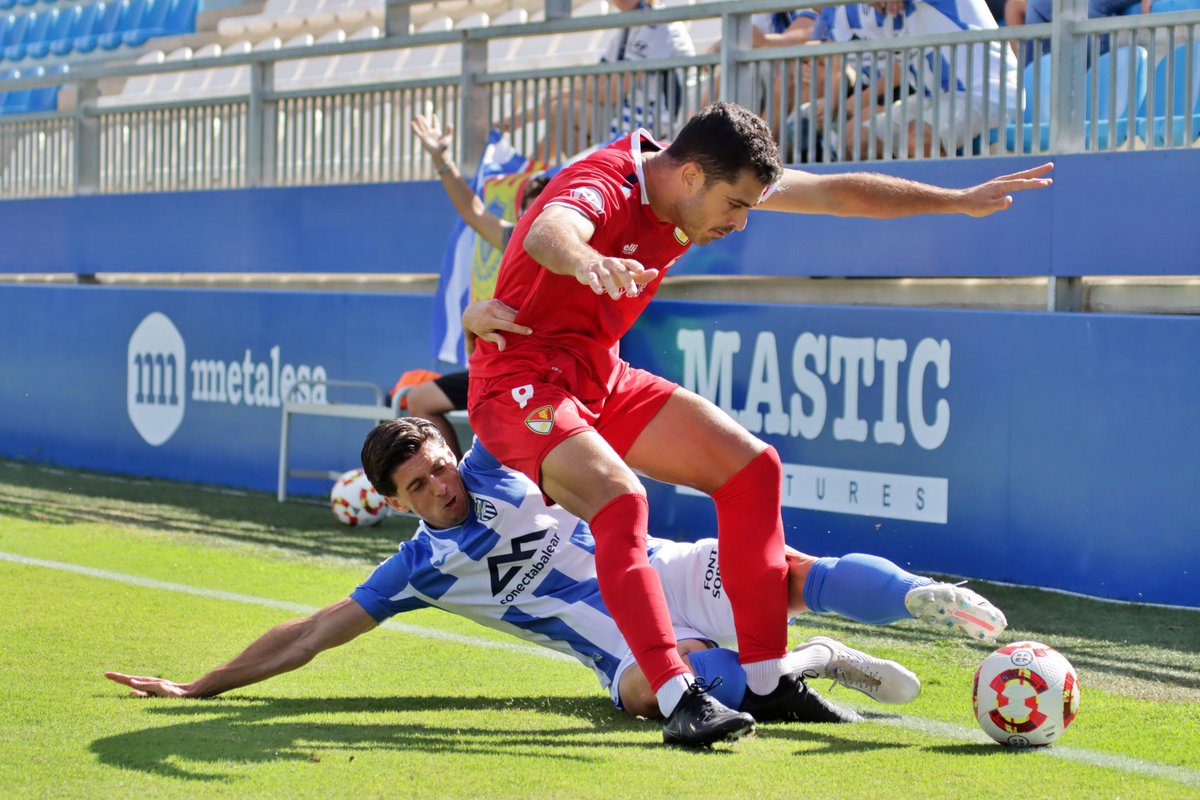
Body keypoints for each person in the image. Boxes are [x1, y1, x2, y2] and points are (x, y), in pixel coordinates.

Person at [462, 100, 1050, 747]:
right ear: (690, 178)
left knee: (752, 469)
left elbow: (836, 196)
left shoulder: (706, 179)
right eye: (736, 206)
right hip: (518, 382)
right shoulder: (603, 182)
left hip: (598, 376)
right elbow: (551, 229)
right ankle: (680, 698)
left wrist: (958, 200)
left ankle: (768, 684)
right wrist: (586, 261)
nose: (741, 222)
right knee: (621, 499)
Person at [105, 418, 1007, 745]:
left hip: (671, 571)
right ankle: (818, 660)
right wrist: (201, 683)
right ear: (391, 501)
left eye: (441, 466)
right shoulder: (418, 569)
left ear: (454, 452)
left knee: (791, 569)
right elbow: (309, 634)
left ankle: (922, 595)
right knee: (683, 692)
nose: (442, 486)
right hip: (619, 648)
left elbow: (533, 380)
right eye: (419, 485)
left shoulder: (500, 462)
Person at [404, 114, 549, 458]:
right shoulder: (515, 238)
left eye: (542, 211)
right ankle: (452, 490)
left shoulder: (580, 251)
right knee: (419, 400)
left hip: (545, 373)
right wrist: (442, 160)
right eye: (526, 213)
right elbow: (473, 210)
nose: (532, 221)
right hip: (499, 368)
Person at [808, 0, 1021, 158]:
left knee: (918, 137)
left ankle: (944, 213)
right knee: (856, 137)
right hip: (933, 97)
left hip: (990, 91)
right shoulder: (870, 12)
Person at [532, 0, 696, 162]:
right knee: (562, 114)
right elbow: (594, 82)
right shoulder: (627, 28)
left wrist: (559, 95)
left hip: (654, 124)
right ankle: (542, 170)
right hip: (629, 114)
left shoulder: (657, 23)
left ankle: (587, 173)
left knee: (561, 109)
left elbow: (612, 92)